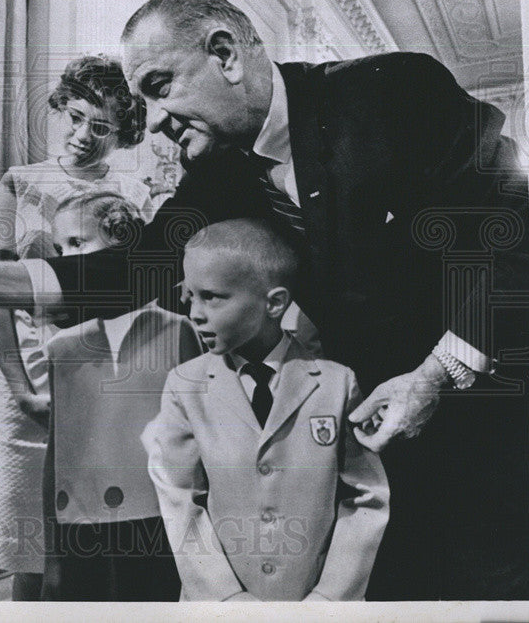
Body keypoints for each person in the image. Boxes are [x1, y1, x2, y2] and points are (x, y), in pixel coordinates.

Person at [0, 0, 529, 600]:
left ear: (226, 54)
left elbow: (518, 228)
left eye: (158, 87)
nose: (149, 124)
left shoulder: (390, 92)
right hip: (371, 436)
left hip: (484, 420)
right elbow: (138, 267)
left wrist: (439, 373)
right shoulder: (222, 170)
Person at [0, 54, 151, 599]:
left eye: (100, 127)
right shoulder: (19, 183)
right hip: (24, 375)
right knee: (26, 534)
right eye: (74, 117)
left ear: (123, 133)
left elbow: (137, 299)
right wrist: (20, 388)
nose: (82, 135)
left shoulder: (138, 196)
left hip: (100, 377)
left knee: (91, 529)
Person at [142, 219, 388, 601]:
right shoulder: (184, 385)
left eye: (212, 297)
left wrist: (329, 599)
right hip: (219, 605)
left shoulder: (337, 384)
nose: (194, 312)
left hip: (312, 602)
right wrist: (226, 598)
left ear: (274, 302)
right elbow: (179, 501)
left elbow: (367, 498)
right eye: (189, 295)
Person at [39, 191, 199, 601]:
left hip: (158, 518)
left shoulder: (180, 330)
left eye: (77, 244)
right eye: (59, 249)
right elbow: (56, 450)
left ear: (122, 241)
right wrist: (52, 550)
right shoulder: (62, 344)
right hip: (80, 522)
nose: (66, 258)